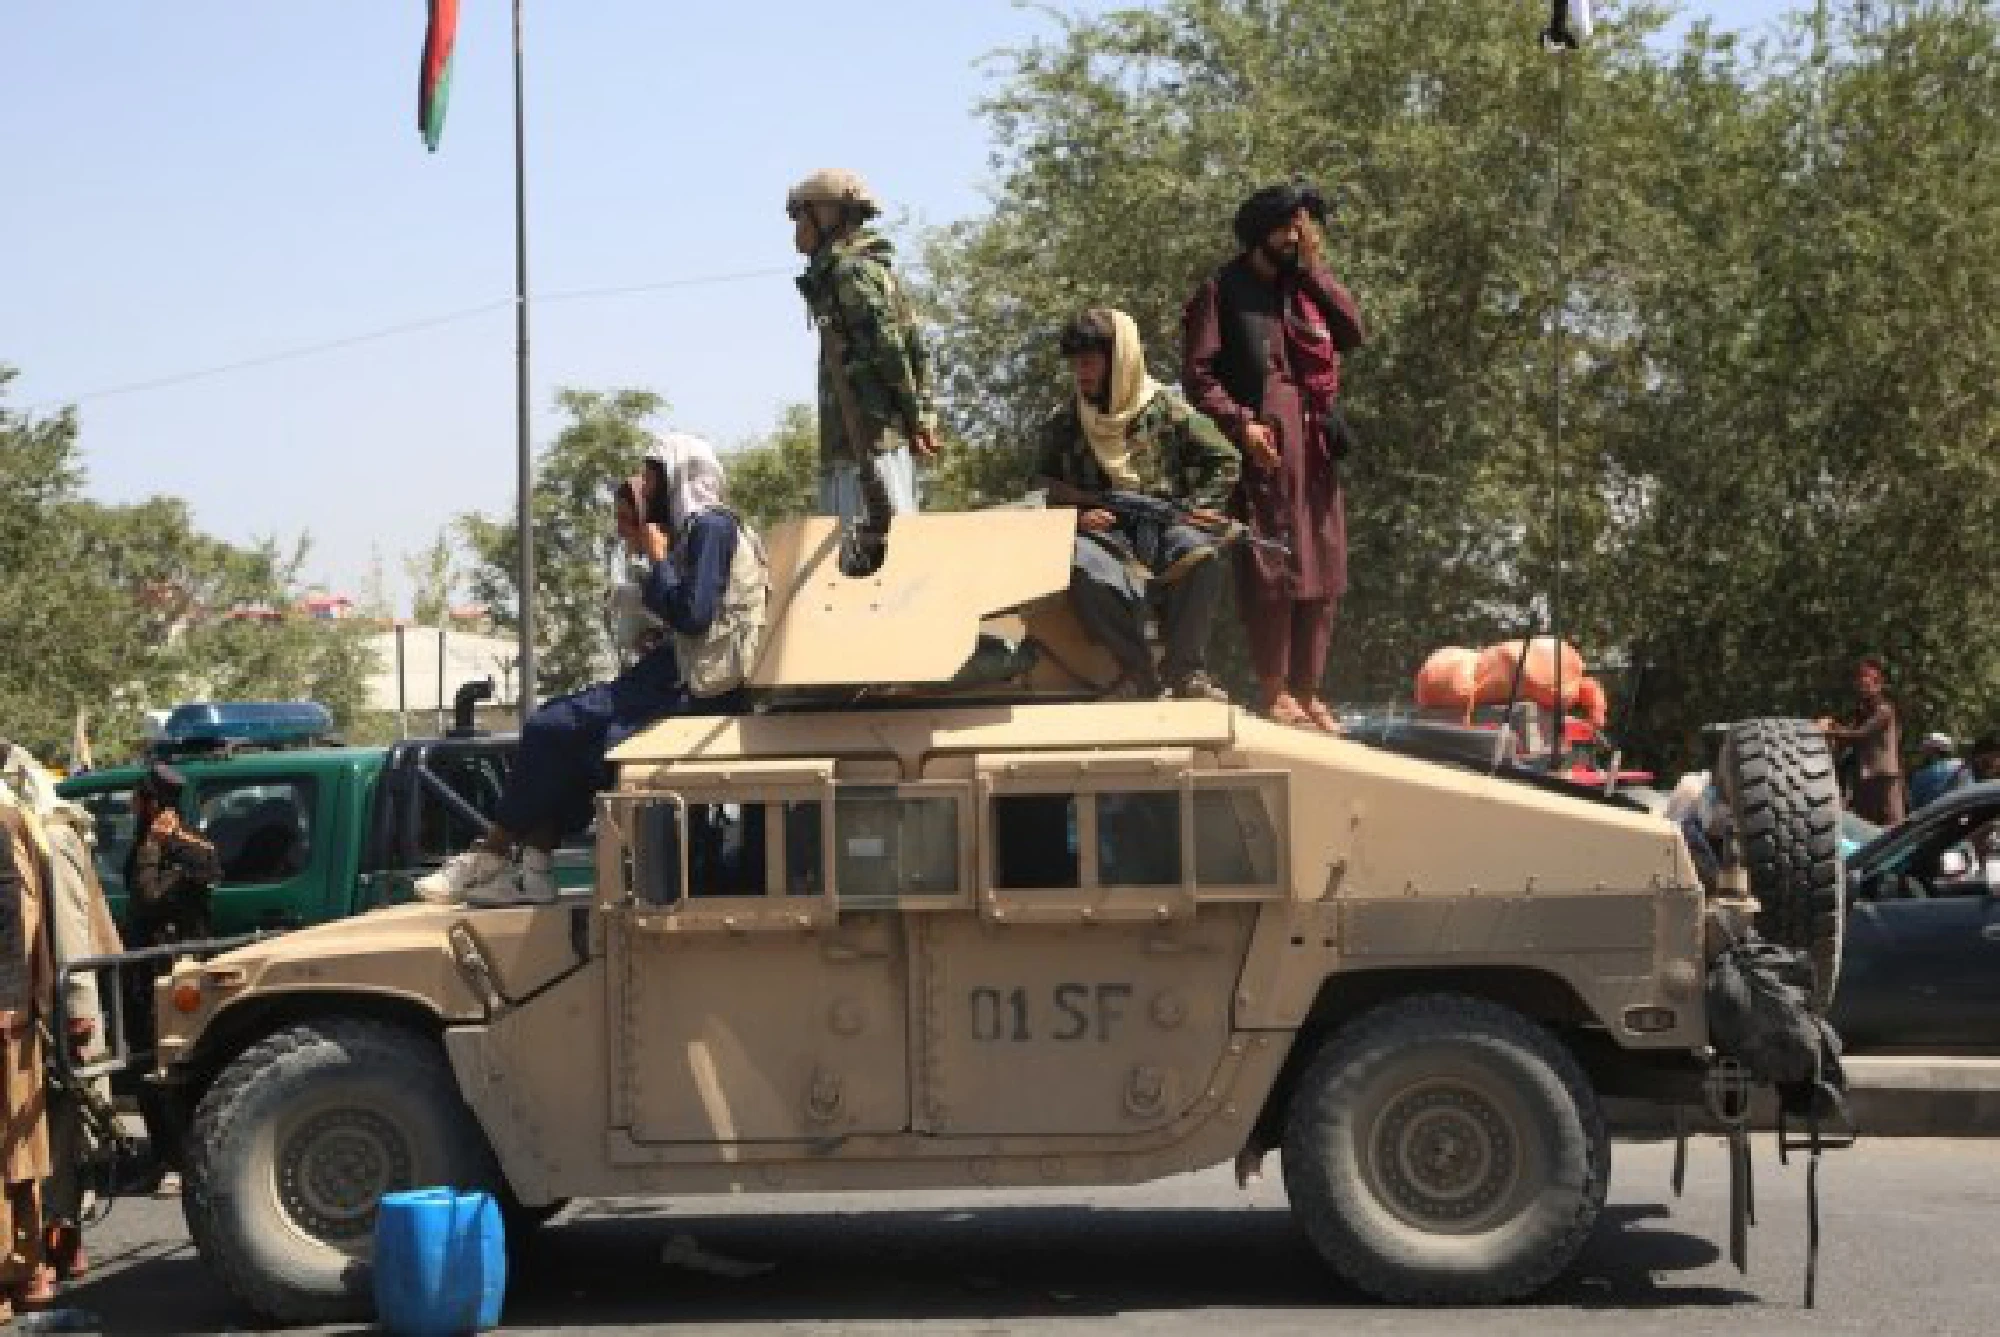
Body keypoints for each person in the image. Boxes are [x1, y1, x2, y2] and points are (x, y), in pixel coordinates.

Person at [417, 433, 767, 905]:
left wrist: (658, 558)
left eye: (653, 475)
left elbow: (696, 613)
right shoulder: (701, 532)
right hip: (677, 677)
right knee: (568, 744)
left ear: (678, 476)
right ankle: (534, 871)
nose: (647, 486)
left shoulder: (712, 528)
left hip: (696, 692)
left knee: (549, 726)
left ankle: (491, 856)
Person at [1183, 179, 1366, 732]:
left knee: (1323, 565)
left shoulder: (1304, 288)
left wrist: (1314, 270)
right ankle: (1276, 690)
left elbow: (1353, 332)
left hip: (1316, 444)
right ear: (1263, 232)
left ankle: (1310, 691)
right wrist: (1241, 426)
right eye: (1290, 227)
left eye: (1304, 228)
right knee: (1274, 568)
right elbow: (1198, 375)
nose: (1298, 237)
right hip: (1266, 446)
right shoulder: (1223, 290)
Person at [1032, 308, 1240, 701]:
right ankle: (1135, 671)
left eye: (1091, 361)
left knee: (1201, 556)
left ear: (1119, 360)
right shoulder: (1064, 422)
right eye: (1076, 363)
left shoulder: (1166, 410)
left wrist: (1199, 507)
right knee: (1079, 566)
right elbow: (1040, 487)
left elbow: (1225, 458)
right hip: (1102, 535)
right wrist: (1076, 517)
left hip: (1164, 526)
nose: (1082, 372)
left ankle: (1185, 673)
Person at [788, 168, 938, 568]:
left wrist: (917, 418)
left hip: (867, 446)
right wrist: (920, 416)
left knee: (876, 565)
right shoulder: (854, 271)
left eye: (802, 216)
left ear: (831, 215)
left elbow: (891, 350)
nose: (797, 229)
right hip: (861, 444)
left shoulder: (849, 273)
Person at [0, 801, 57, 1316]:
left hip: (6, 1014)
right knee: (17, 1150)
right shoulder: (13, 819)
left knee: (14, 1149)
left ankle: (21, 1271)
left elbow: (8, 918)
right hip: (14, 1010)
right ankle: (26, 1269)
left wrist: (10, 1001)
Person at [1819, 655, 1905, 827]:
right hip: (1864, 777)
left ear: (1878, 684)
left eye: (1867, 683)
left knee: (1892, 824)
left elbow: (1861, 734)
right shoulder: (1862, 710)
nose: (1862, 687)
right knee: (1865, 825)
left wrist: (1831, 731)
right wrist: (1832, 729)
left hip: (1883, 776)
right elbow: (1849, 735)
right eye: (1860, 683)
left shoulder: (1884, 710)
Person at [1907, 732, 1972, 811]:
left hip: (1932, 818)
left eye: (1925, 750)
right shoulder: (1961, 766)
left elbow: (1915, 804)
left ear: (1932, 751)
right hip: (1961, 812)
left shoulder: (1920, 775)